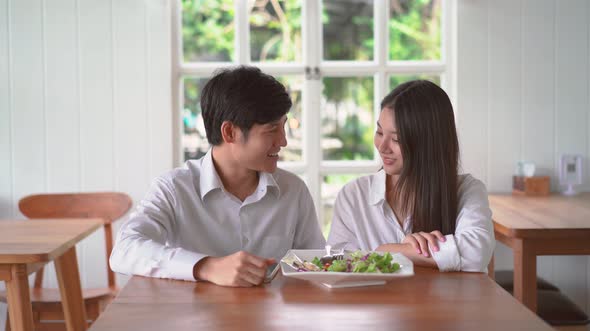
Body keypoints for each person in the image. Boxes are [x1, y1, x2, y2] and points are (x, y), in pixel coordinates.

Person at [110, 66, 325, 287]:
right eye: (272, 130)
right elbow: (125, 251)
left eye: (283, 127)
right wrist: (207, 267)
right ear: (229, 132)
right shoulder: (174, 188)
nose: (283, 141)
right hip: (194, 318)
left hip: (274, 319)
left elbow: (317, 266)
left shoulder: (293, 190)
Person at [327, 80, 494, 272]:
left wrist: (387, 251)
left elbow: (477, 252)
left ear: (428, 144)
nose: (382, 147)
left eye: (397, 139)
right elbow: (335, 264)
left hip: (445, 302)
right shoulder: (354, 196)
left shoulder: (467, 191)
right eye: (380, 132)